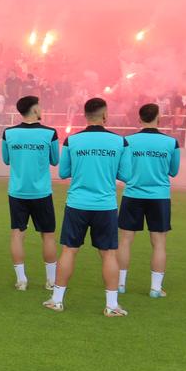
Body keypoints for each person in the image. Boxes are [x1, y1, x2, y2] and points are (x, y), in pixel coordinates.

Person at [45, 97, 129, 316]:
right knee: (109, 254)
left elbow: (63, 173)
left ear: (85, 116)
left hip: (77, 205)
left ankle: (57, 300)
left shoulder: (72, 141)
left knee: (69, 251)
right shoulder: (120, 142)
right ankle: (111, 305)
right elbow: (127, 175)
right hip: (105, 206)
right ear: (105, 115)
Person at [116, 103, 180, 299]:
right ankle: (155, 288)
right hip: (159, 197)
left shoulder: (127, 141)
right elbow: (173, 171)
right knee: (159, 243)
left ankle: (120, 285)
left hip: (133, 194)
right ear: (158, 118)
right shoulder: (171, 142)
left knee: (125, 241)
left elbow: (122, 170)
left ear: (139, 119)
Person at [1, 95, 61, 292]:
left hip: (17, 192)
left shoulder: (9, 133)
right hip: (41, 192)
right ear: (34, 110)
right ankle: (51, 281)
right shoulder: (50, 133)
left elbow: (6, 159)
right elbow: (55, 160)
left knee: (17, 235)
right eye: (40, 106)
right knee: (48, 236)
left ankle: (21, 280)